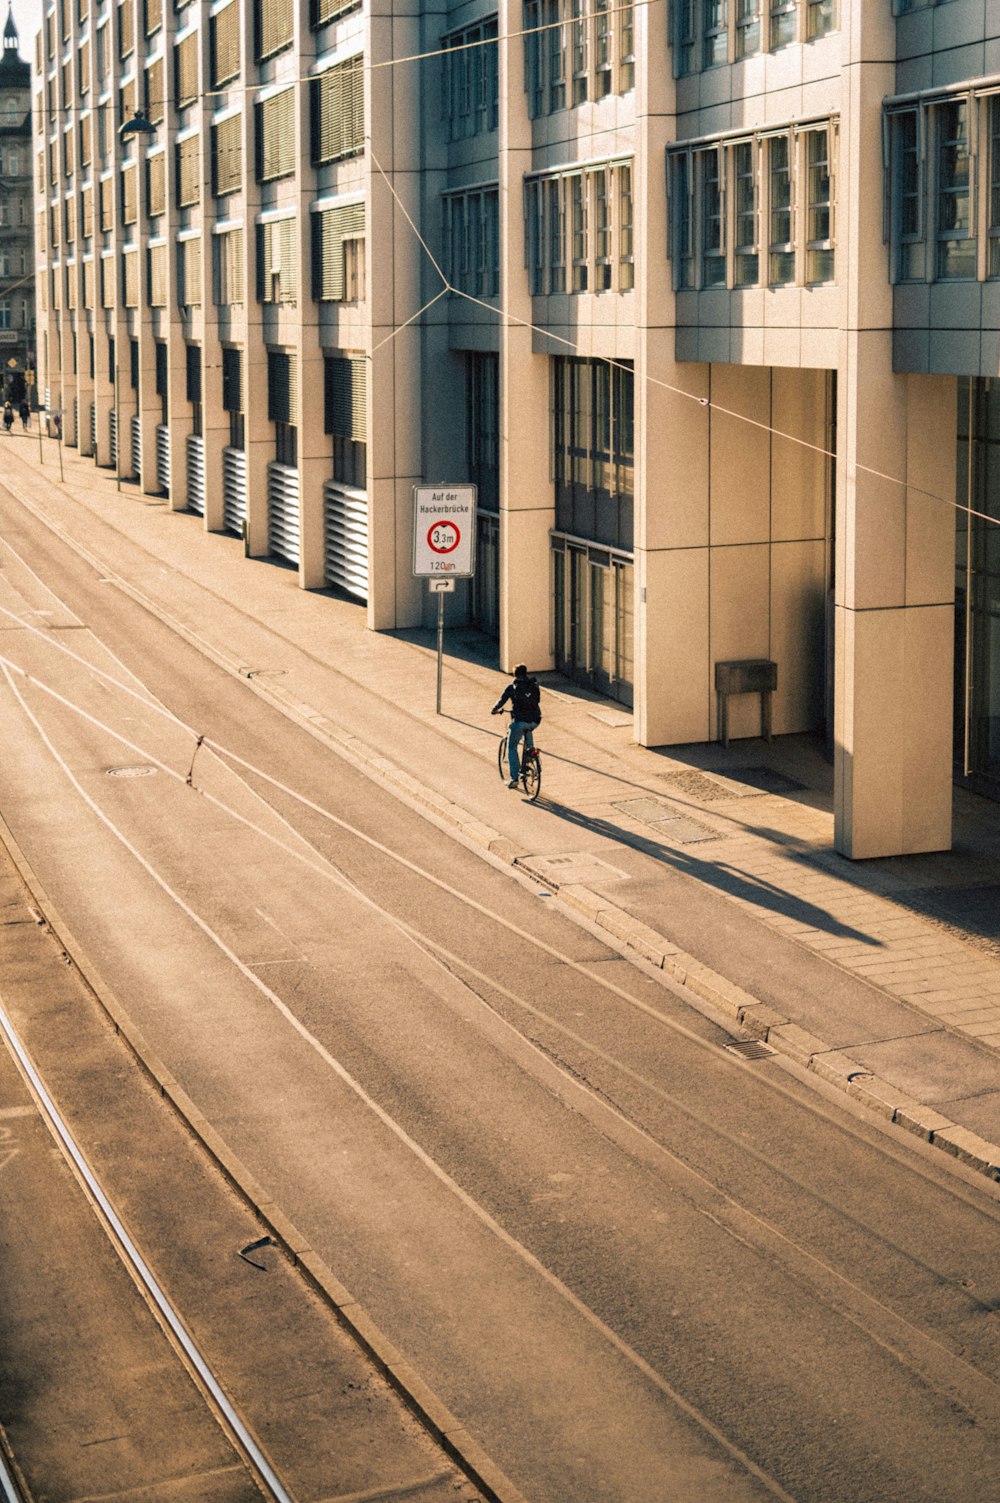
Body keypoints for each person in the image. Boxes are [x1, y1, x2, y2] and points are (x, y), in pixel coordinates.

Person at [492, 664, 542, 787]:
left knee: (512, 746)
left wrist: (494, 709)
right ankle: (530, 756)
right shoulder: (533, 684)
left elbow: (501, 701)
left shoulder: (512, 687)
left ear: (515, 674)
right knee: (528, 728)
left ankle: (514, 778)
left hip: (519, 720)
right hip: (536, 720)